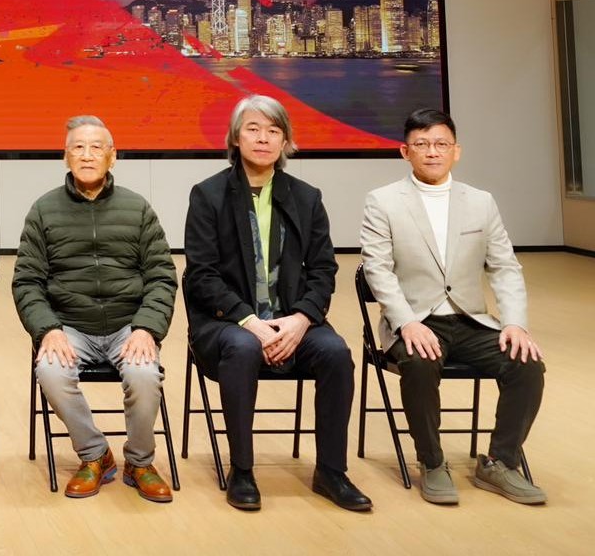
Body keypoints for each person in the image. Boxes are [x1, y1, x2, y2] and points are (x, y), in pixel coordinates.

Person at [182, 95, 371, 512]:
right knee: (243, 347)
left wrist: (302, 319)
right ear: (236, 137)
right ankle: (242, 470)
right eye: (253, 129)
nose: (263, 138)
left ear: (285, 141)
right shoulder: (209, 195)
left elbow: (323, 269)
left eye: (273, 131)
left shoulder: (306, 197)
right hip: (227, 324)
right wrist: (250, 321)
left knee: (336, 353)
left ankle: (332, 471)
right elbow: (201, 275)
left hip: (292, 322)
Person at [359, 107, 546, 506]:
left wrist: (514, 323)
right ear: (404, 152)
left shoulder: (481, 202)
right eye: (422, 144)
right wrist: (406, 323)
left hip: (472, 321)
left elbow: (505, 267)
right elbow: (378, 270)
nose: (432, 152)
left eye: (441, 144)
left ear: (456, 151)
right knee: (419, 362)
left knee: (527, 363)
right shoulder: (383, 201)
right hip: (415, 320)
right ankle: (432, 462)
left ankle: (500, 462)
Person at [14, 115, 177, 503]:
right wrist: (48, 329)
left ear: (112, 156)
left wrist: (146, 328)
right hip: (69, 326)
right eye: (78, 148)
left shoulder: (137, 208)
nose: (87, 155)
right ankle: (94, 455)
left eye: (96, 147)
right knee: (50, 371)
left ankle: (140, 462)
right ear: (66, 156)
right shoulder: (44, 210)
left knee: (144, 375)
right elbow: (26, 281)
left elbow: (162, 276)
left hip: (128, 326)